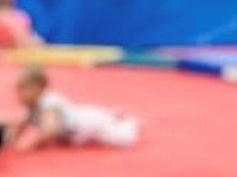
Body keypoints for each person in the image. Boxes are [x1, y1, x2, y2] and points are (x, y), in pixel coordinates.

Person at [11, 65, 142, 151]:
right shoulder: (32, 107)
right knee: (103, 117)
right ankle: (114, 115)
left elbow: (50, 130)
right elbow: (21, 124)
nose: (19, 95)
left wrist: (30, 145)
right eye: (18, 90)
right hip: (82, 116)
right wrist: (9, 141)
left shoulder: (48, 102)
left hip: (87, 125)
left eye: (23, 90)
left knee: (121, 140)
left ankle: (131, 123)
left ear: (39, 88)